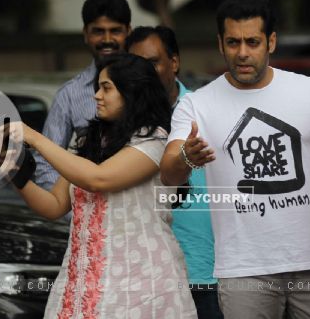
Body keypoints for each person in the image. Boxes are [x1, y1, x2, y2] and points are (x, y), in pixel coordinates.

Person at [160, 0, 310, 319]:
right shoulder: (198, 104)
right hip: (242, 270)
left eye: (252, 41)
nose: (242, 52)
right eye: (233, 42)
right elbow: (168, 173)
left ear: (270, 41)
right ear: (220, 43)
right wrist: (188, 158)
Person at [12, 53, 197, 318]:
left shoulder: (155, 141)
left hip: (143, 282)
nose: (97, 95)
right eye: (98, 87)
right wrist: (13, 173)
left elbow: (98, 179)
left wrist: (35, 137)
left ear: (132, 92)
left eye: (106, 88)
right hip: (83, 281)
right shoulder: (87, 142)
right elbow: (54, 206)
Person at [126, 26, 222, 319]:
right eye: (136, 65)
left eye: (153, 62)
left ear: (175, 63)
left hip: (203, 271)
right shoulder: (119, 122)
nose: (145, 73)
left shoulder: (207, 110)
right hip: (141, 273)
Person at [34, 0, 131, 190]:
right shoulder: (69, 94)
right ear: (85, 34)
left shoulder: (148, 84)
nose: (107, 39)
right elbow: (45, 163)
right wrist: (78, 214)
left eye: (115, 30)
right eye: (98, 31)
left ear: (128, 32)